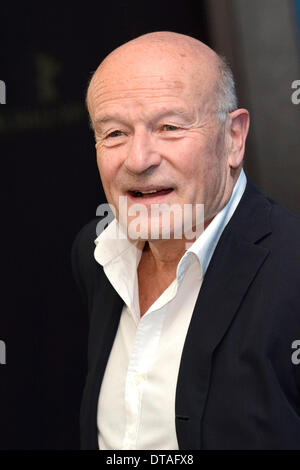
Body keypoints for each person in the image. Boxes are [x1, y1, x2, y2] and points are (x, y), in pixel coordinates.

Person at [71, 31, 300, 450]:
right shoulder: (96, 254)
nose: (139, 160)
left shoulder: (292, 270)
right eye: (116, 133)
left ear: (233, 138)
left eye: (170, 127)